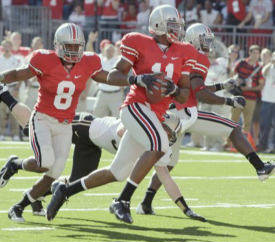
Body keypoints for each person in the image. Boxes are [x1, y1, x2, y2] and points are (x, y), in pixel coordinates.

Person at [46, 5, 201, 224]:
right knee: (159, 145)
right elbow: (114, 75)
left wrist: (174, 90)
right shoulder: (139, 42)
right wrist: (137, 79)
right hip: (135, 107)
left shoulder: (185, 51)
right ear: (158, 25)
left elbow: (184, 95)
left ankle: (65, 191)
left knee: (116, 173)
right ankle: (123, 200)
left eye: (178, 25)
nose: (178, 29)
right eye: (172, 25)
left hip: (154, 115)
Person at [0, 84, 205, 222]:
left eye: (172, 135)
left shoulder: (157, 144)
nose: (168, 137)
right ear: (160, 125)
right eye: (168, 131)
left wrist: (186, 209)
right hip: (86, 126)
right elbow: (121, 130)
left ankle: (30, 192)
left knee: (74, 180)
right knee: (32, 131)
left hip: (94, 143)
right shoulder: (144, 130)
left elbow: (166, 178)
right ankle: (5, 97)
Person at [136, 23, 275, 215]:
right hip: (185, 112)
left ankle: (145, 202)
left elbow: (196, 87)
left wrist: (221, 85)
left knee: (168, 162)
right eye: (204, 40)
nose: (208, 44)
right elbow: (200, 94)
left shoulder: (182, 53)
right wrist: (229, 100)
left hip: (172, 113)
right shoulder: (197, 56)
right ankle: (260, 167)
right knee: (232, 128)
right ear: (194, 40)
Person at [0, 23, 109, 222]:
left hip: (65, 124)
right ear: (58, 45)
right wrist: (1, 78)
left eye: (78, 46)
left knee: (54, 172)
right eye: (70, 45)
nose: (74, 50)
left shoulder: (89, 61)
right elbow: (19, 73)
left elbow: (107, 78)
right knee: (45, 163)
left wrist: (135, 80)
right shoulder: (45, 59)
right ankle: (15, 164)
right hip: (42, 118)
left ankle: (18, 206)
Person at [231, 45, 265, 137]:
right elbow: (232, 76)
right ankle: (228, 143)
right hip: (237, 96)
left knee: (247, 123)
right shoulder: (241, 63)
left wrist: (247, 88)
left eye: (258, 53)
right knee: (232, 120)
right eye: (254, 52)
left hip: (251, 98)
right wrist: (238, 82)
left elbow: (261, 86)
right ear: (249, 53)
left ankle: (243, 144)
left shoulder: (260, 67)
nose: (256, 55)